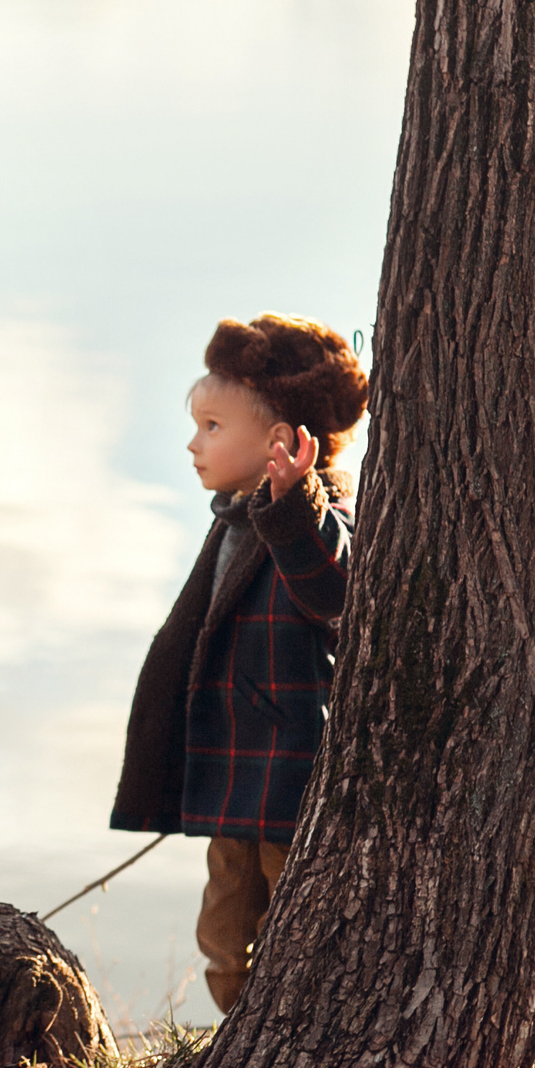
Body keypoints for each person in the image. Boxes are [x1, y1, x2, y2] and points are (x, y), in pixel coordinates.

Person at [109, 315, 367, 1012]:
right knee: (223, 925)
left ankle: (300, 1024)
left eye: (213, 426)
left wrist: (298, 503)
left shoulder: (321, 512)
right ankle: (239, 1027)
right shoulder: (233, 515)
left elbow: (333, 587)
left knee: (295, 915)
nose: (194, 443)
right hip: (234, 762)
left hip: (292, 766)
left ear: (280, 442)